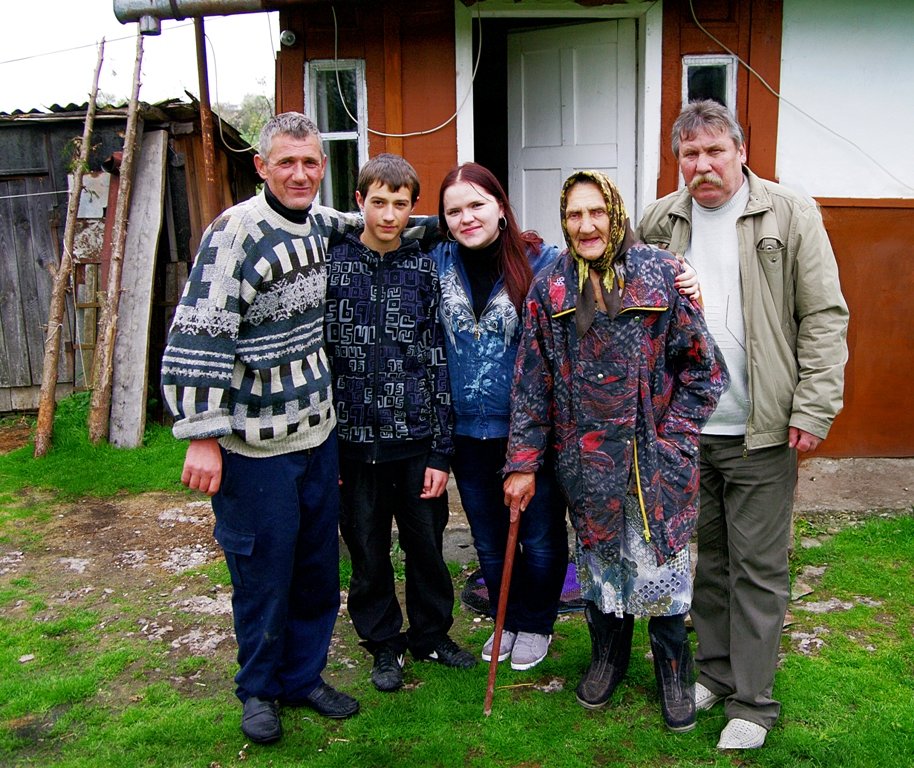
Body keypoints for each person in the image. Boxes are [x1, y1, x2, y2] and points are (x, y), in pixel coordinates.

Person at [636, 99, 849, 749]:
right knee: (710, 563)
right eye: (689, 155)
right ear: (678, 162)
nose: (702, 166)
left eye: (714, 151)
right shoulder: (660, 222)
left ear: (740, 151)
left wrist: (813, 406)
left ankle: (753, 703)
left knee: (757, 567)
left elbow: (824, 315)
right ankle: (716, 675)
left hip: (761, 427)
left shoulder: (789, 212)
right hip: (688, 428)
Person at [161, 113, 372, 745]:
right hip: (254, 448)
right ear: (262, 167)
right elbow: (198, 333)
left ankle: (303, 678)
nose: (302, 174)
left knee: (315, 572)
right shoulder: (234, 235)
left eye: (311, 162)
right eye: (287, 163)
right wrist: (201, 433)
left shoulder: (318, 225)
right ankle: (258, 691)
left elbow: (375, 222)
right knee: (262, 576)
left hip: (317, 436)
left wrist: (471, 229)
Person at [504, 170, 728, 733]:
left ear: (616, 212)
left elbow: (705, 371)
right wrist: (522, 463)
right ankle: (608, 658)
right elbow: (532, 385)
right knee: (602, 565)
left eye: (596, 212)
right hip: (587, 466)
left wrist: (674, 437)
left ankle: (673, 673)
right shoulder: (549, 290)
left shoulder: (659, 276)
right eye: (575, 215)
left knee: (663, 567)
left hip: (655, 464)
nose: (587, 226)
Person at [324, 154, 476, 694]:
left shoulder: (426, 264)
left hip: (415, 443)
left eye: (401, 203)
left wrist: (440, 452)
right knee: (366, 551)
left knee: (427, 549)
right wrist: (327, 450)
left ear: (413, 208)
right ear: (359, 201)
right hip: (351, 444)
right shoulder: (333, 262)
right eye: (378, 201)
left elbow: (439, 358)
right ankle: (383, 644)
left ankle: (432, 636)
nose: (388, 214)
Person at [429, 162, 569, 671]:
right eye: (454, 210)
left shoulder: (542, 260)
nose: (467, 218)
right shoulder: (437, 260)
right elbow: (379, 225)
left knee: (539, 534)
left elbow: (603, 261)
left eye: (477, 205)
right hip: (466, 431)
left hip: (529, 430)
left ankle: (537, 624)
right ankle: (506, 621)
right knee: (488, 534)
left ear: (501, 206)